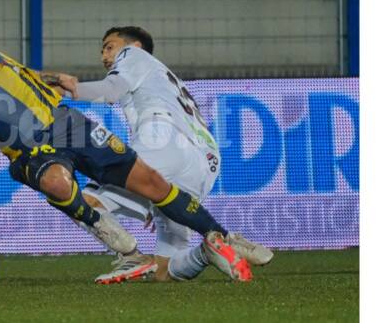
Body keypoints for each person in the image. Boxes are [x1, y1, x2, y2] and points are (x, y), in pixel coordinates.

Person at [0, 0, 252, 282]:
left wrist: (57, 80)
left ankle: (225, 238)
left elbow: (21, 75)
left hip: (68, 124)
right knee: (57, 182)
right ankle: (128, 253)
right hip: (31, 151)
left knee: (151, 181)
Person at [50, 26, 274, 284]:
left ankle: (131, 256)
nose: (104, 55)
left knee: (81, 200)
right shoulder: (163, 78)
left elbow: (111, 90)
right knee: (164, 271)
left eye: (109, 46)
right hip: (204, 163)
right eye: (102, 50)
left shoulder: (134, 57)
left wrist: (67, 90)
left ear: (133, 46)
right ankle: (209, 250)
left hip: (162, 140)